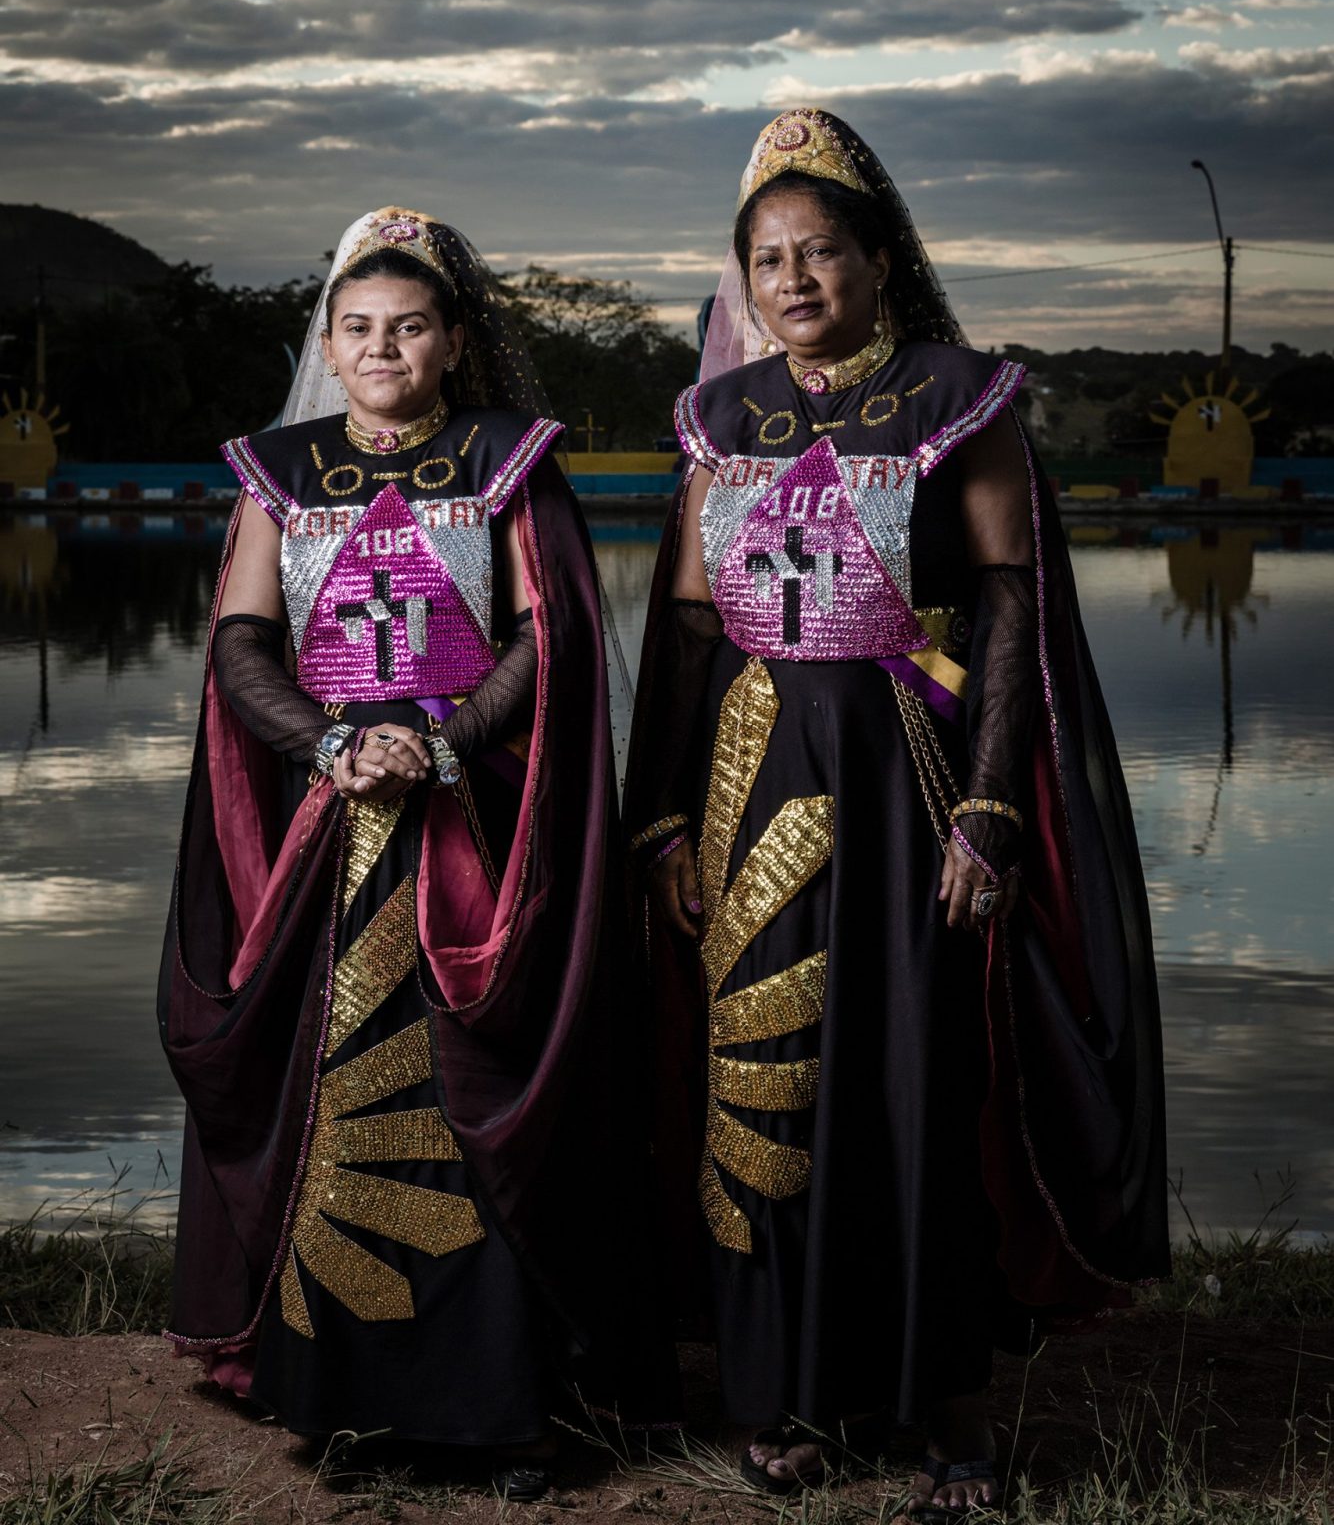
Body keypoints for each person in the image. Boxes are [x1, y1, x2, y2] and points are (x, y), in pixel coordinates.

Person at [624, 110, 1169, 1513]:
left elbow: (1002, 605)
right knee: (767, 1071)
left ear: (878, 260)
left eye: (819, 252)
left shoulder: (953, 393)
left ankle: (947, 1418)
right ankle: (788, 1395)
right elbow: (687, 628)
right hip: (750, 779)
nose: (792, 279)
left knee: (913, 1080)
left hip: (906, 779)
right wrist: (661, 821)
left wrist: (987, 808)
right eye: (766, 258)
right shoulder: (721, 418)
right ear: (741, 280)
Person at [159, 208, 673, 1495]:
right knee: (337, 1078)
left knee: (473, 1081)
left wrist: (435, 740)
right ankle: (347, 1398)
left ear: (452, 341)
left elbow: (540, 631)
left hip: (479, 821)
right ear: (328, 344)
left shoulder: (506, 458)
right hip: (327, 822)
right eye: (357, 327)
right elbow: (240, 640)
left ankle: (505, 1405)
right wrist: (331, 745)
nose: (381, 346)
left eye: (409, 326)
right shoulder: (280, 468)